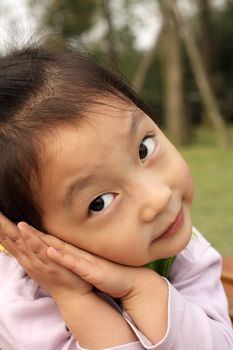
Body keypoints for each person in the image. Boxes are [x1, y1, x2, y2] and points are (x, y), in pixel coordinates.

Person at [0, 44, 232, 350]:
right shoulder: (23, 304)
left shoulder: (181, 250)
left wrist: (143, 289)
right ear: (32, 238)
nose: (158, 198)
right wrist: (76, 298)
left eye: (144, 149)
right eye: (100, 202)